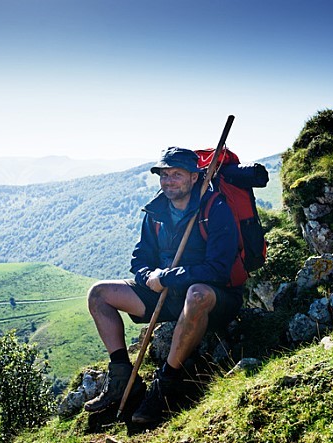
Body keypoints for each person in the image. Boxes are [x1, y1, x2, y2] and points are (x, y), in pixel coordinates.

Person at [83, 146, 244, 424]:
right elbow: (140, 258)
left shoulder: (214, 208)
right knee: (99, 294)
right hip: (165, 295)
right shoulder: (156, 211)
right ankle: (124, 380)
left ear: (195, 177)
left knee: (197, 294)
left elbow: (218, 269)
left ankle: (167, 384)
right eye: (164, 174)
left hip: (213, 297)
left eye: (177, 174)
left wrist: (168, 277)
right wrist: (147, 277)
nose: (169, 181)